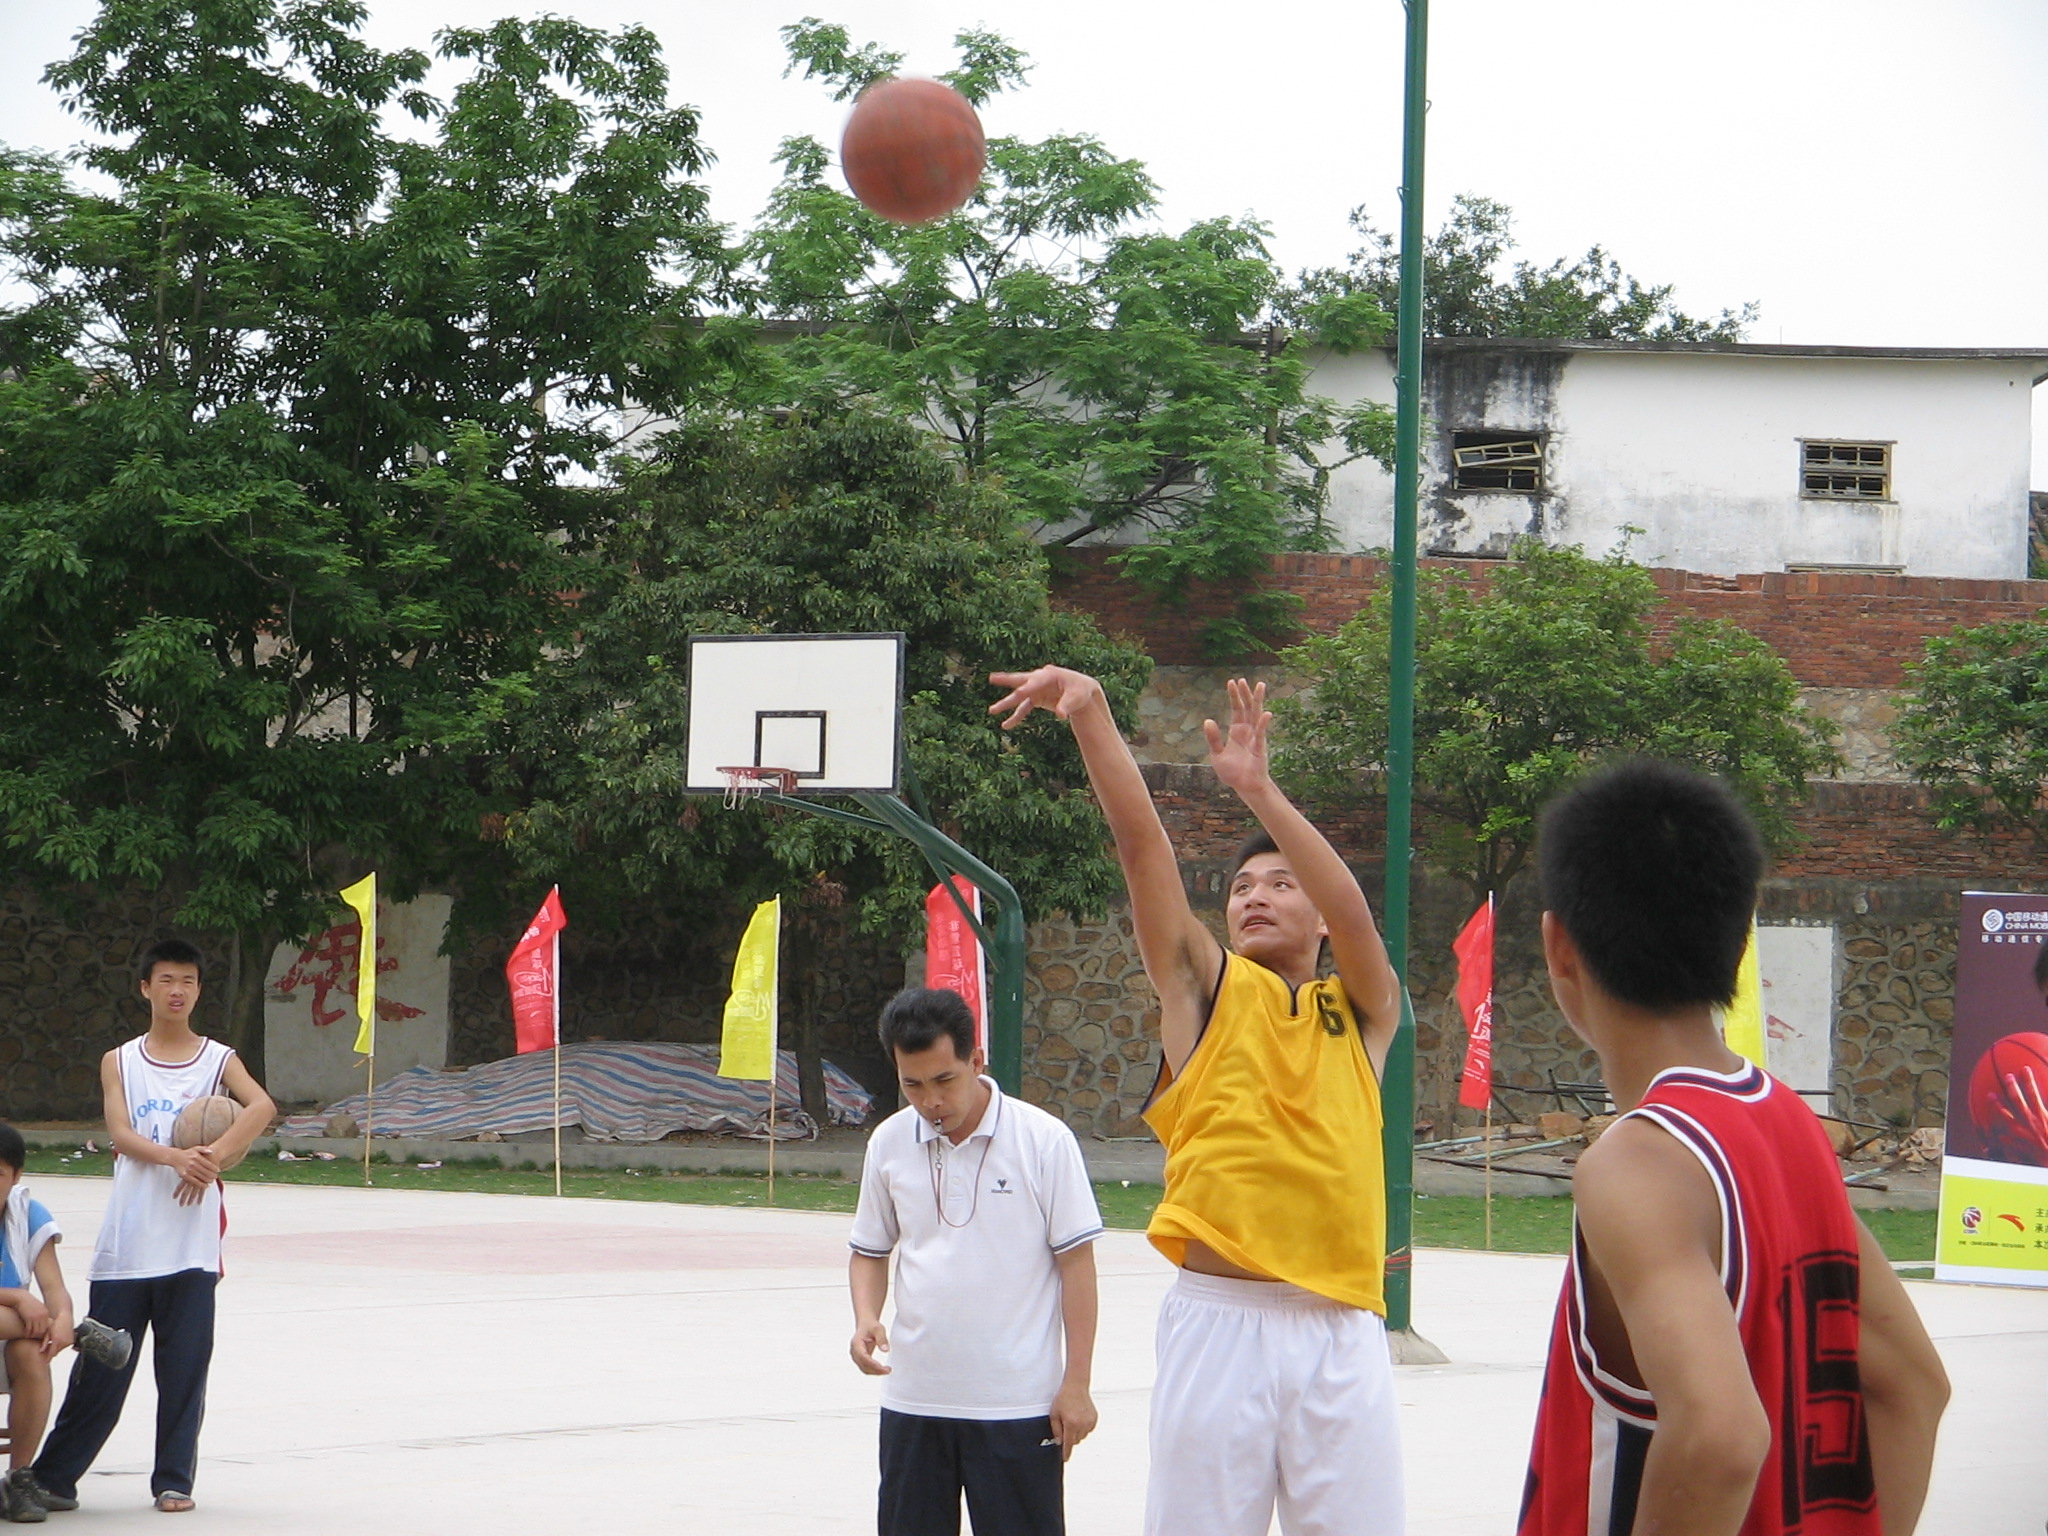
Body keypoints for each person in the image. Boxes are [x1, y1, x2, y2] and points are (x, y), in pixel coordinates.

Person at [987, 669, 1405, 1536]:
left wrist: (1260, 791)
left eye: (1281, 884)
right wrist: (1091, 714)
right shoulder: (1206, 992)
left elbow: (1355, 912)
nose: (1255, 896)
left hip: (1340, 1328)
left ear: (1318, 918)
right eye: (1242, 887)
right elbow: (1145, 851)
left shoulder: (1364, 1011)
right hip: (1221, 1324)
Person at [1520, 760, 1950, 1536]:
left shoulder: (1636, 1164)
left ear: (1560, 947)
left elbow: (1720, 1438)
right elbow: (1913, 1386)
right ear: (1741, 938)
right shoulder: (1790, 1125)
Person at [848, 986, 1103, 1536]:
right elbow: (869, 1250)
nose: (930, 1100)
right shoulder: (888, 1143)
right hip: (914, 1400)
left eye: (945, 1079)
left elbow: (1077, 1268)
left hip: (1017, 1404)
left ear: (977, 1060)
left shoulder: (1044, 1141)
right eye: (912, 1084)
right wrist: (866, 1316)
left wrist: (1077, 1384)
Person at [33, 939, 275, 1516]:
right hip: (128, 1245)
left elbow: (262, 1107)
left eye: (187, 981)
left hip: (191, 1248)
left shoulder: (218, 1059)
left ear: (198, 990)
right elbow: (120, 1134)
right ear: (146, 988)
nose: (177, 991)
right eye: (166, 980)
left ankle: (173, 1481)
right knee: (102, 1367)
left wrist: (213, 1155)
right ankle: (55, 1478)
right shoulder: (120, 1060)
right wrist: (176, 1157)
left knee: (184, 1368)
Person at [0, 1124, 132, 1524]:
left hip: (8, 1335)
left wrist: (63, 1318)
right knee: (29, 1325)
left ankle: (20, 1478)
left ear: (17, 1176)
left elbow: (54, 1288)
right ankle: (83, 1337)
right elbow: (30, 1299)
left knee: (30, 1354)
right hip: (15, 1316)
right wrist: (18, 1298)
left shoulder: (27, 1214)